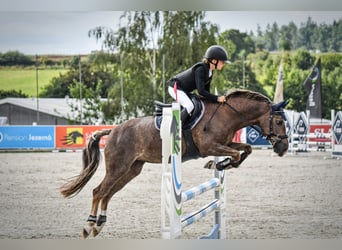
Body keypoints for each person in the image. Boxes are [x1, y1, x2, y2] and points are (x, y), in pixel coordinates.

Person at [168, 45, 230, 123]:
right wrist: (217, 98)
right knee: (190, 105)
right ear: (214, 61)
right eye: (222, 62)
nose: (223, 64)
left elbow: (206, 92)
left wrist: (215, 100)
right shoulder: (200, 69)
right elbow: (201, 91)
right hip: (175, 87)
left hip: (183, 90)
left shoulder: (210, 71)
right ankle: (175, 125)